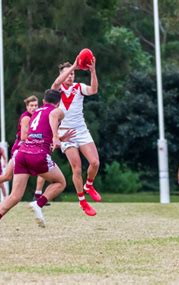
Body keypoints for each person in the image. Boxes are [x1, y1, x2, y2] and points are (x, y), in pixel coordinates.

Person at [0, 89, 75, 237]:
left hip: (22, 154)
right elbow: (52, 116)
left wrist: (58, 138)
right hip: (37, 154)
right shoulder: (57, 111)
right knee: (60, 182)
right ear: (58, 103)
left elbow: (39, 133)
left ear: (44, 101)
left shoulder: (36, 112)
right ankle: (38, 203)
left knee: (15, 195)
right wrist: (56, 136)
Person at [50, 56, 100, 216]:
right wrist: (73, 66)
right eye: (68, 74)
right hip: (65, 133)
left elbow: (94, 90)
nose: (71, 76)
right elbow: (57, 83)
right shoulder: (57, 90)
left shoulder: (79, 87)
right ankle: (82, 202)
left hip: (81, 130)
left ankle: (89, 185)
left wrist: (92, 71)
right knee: (77, 169)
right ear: (63, 74)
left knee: (95, 163)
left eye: (72, 74)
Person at [0, 95, 47, 206]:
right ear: (27, 107)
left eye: (36, 105)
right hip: (21, 149)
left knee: (7, 176)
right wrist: (40, 138)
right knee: (42, 167)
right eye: (31, 105)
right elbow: (23, 137)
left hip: (26, 149)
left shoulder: (36, 116)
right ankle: (37, 196)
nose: (34, 108)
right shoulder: (26, 118)